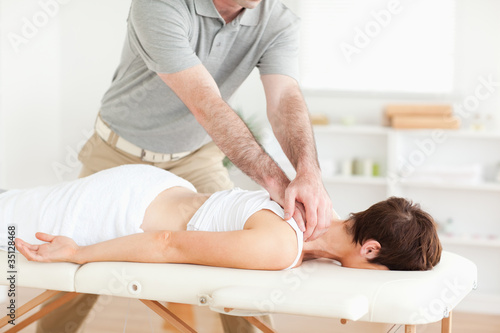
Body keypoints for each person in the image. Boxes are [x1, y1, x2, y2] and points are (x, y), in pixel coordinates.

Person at [59, 0, 333, 331]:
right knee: (73, 260)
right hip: (118, 152)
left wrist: (307, 173)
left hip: (195, 155)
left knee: (243, 262)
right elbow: (205, 103)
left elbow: (284, 97)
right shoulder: (159, 5)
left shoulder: (277, 19)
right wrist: (277, 182)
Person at [3, 165, 442, 272]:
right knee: (9, 216)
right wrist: (79, 253)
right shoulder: (282, 246)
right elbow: (166, 244)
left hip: (154, 187)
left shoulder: (315, 217)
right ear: (370, 249)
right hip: (124, 210)